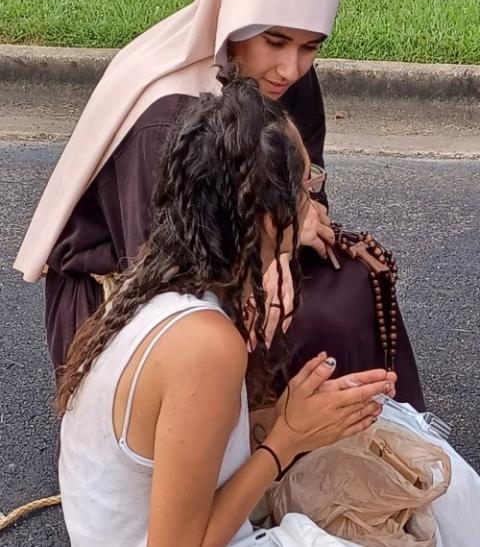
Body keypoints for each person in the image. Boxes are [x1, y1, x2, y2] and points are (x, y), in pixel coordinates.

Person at [14, 0, 425, 409]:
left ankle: (376, 441)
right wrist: (276, 247)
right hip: (134, 283)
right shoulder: (163, 121)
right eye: (275, 40)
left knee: (355, 284)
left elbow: (307, 190)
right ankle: (267, 459)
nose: (290, 68)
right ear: (236, 23)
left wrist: (302, 218)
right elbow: (166, 264)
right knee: (298, 325)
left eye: (310, 46)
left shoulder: (289, 83)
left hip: (250, 247)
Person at [57, 77, 396, 546]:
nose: (311, 200)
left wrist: (282, 417)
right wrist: (285, 441)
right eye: (303, 188)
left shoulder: (153, 283)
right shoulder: (206, 344)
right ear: (267, 219)